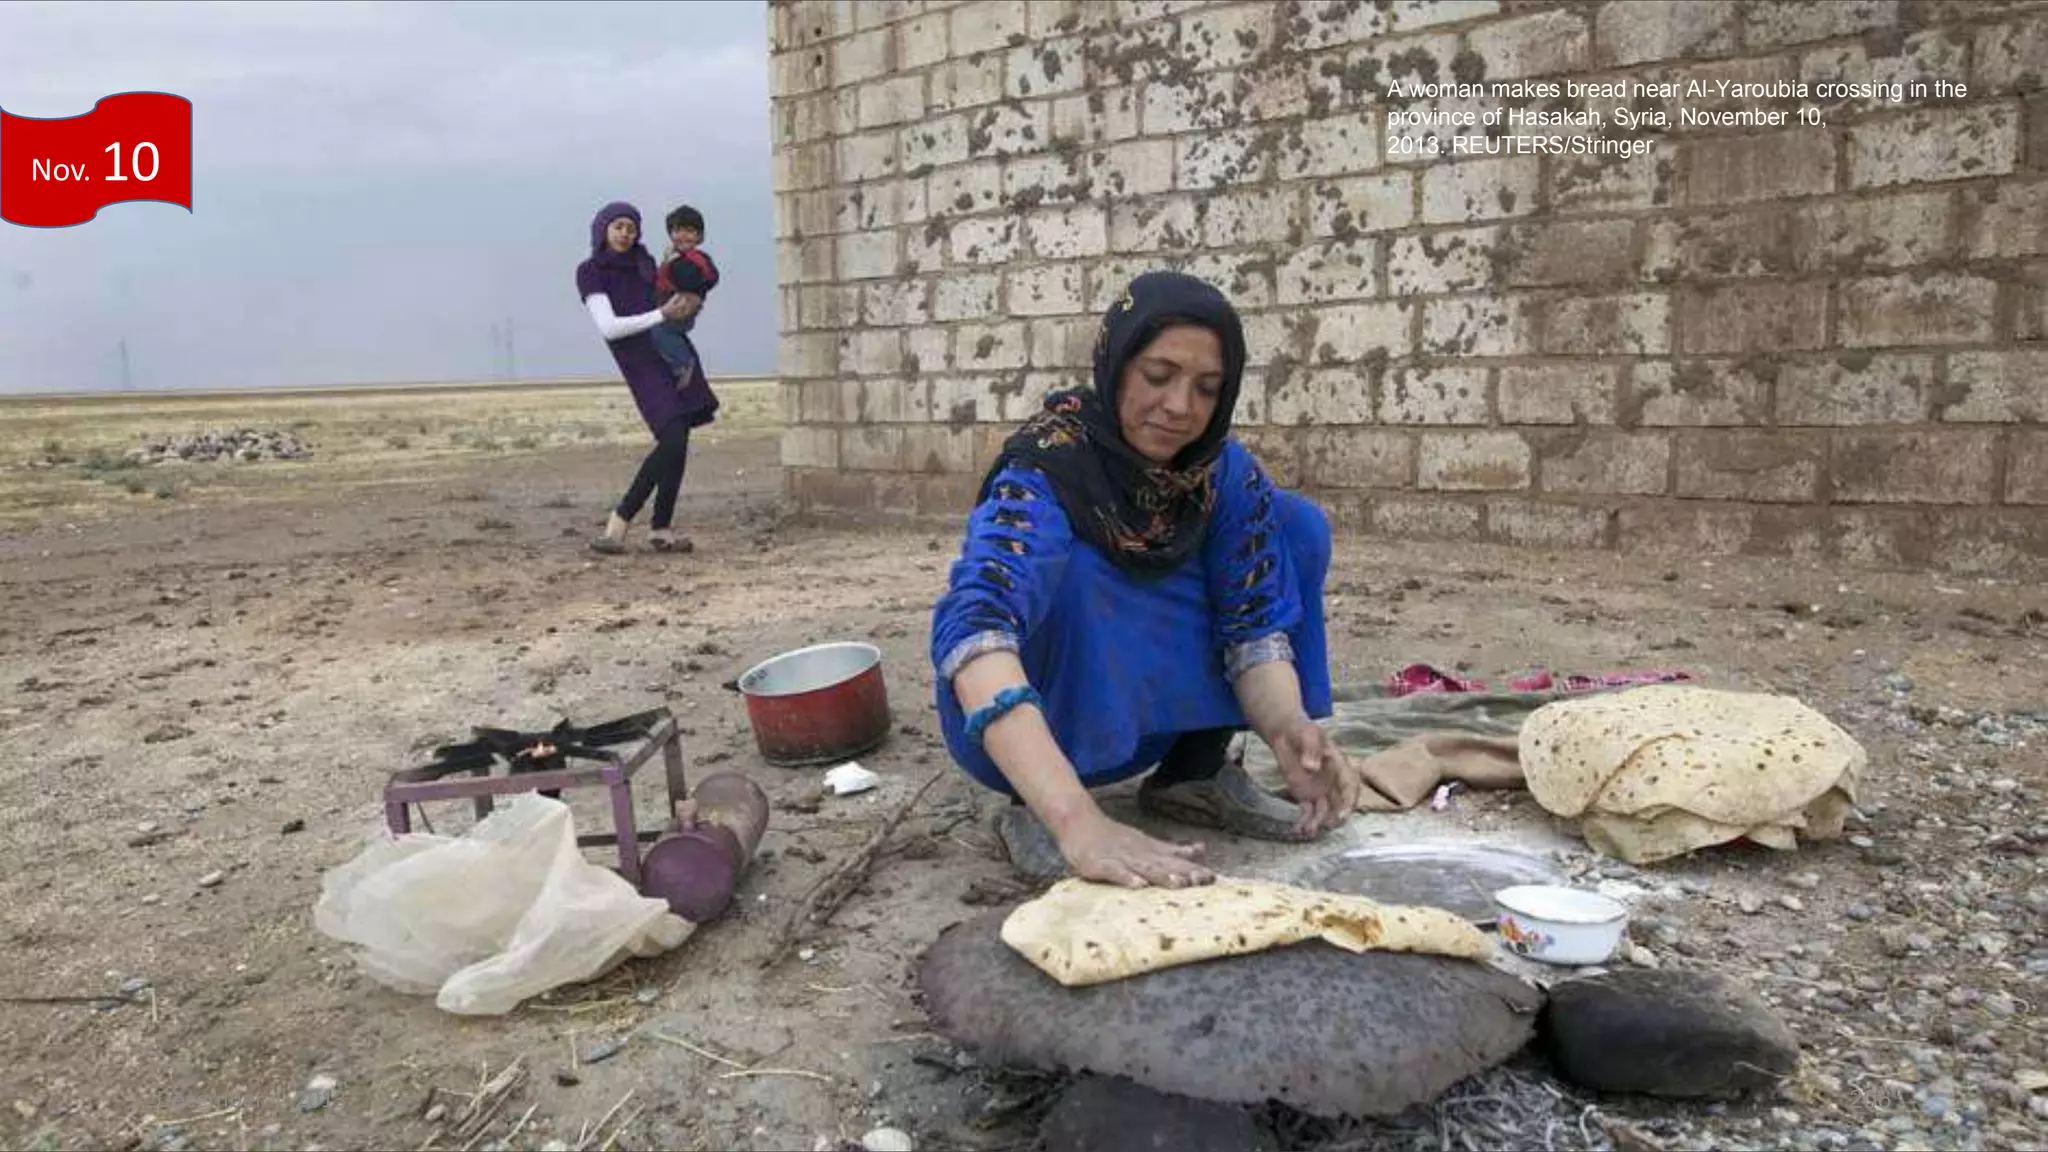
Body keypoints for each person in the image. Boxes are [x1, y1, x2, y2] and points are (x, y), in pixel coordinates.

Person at [929, 271, 1362, 890]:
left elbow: (1254, 622)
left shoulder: (1220, 474)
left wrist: (1289, 728)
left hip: (1144, 722)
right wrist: (1077, 820)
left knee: (1293, 528)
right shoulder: (1049, 469)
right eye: (1157, 377)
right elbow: (975, 632)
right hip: (1034, 734)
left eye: (1207, 388)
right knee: (1076, 569)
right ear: (1116, 363)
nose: (1180, 407)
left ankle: (1194, 774)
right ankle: (1043, 812)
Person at [574, 201, 720, 555]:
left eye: (631, 227)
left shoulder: (646, 263)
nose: (625, 233)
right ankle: (618, 523)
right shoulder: (590, 270)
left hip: (672, 353)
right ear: (603, 229)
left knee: (680, 438)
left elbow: (674, 291)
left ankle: (661, 529)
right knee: (670, 438)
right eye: (618, 226)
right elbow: (609, 328)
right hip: (639, 360)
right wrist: (662, 314)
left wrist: (689, 302)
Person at [649, 204, 721, 388]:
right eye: (677, 230)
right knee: (658, 333)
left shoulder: (694, 258)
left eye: (689, 231)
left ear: (699, 236)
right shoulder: (676, 257)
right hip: (670, 307)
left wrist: (674, 268)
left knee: (659, 331)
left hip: (680, 310)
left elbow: (708, 276)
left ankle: (682, 363)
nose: (683, 236)